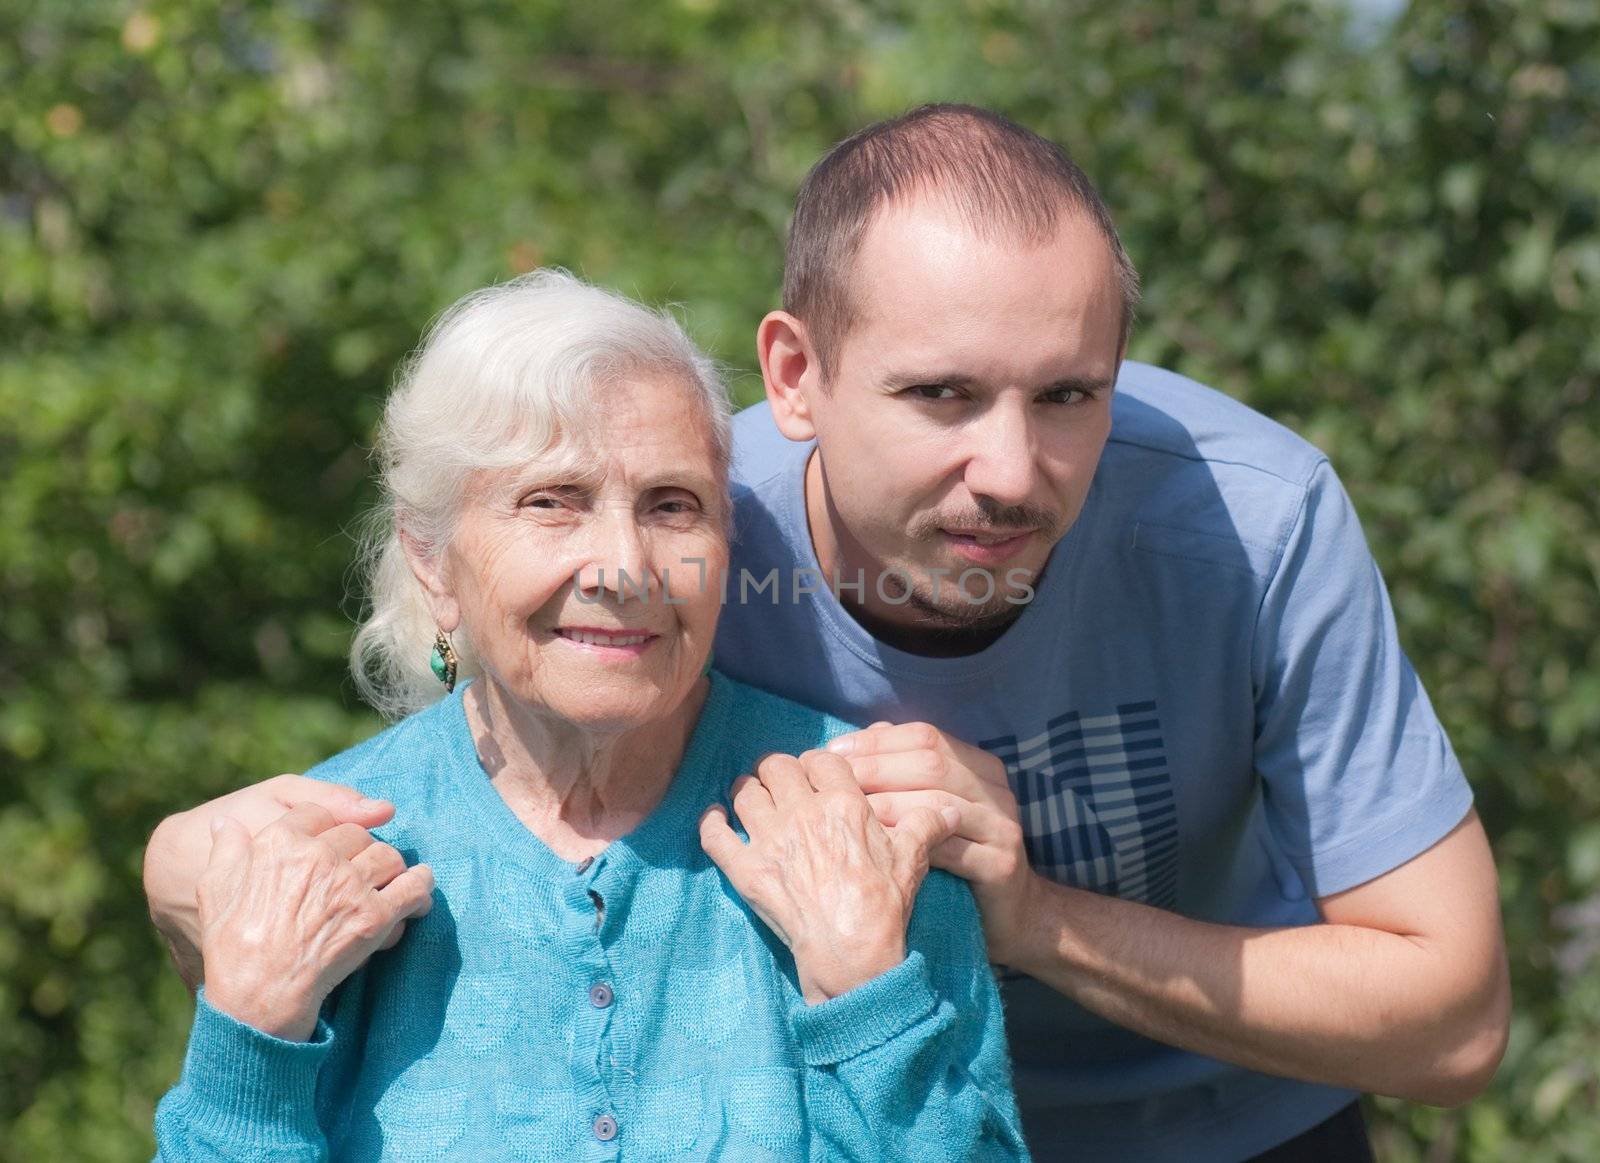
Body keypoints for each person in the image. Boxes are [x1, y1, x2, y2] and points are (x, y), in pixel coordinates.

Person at [145, 105, 1510, 1161]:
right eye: (941, 393)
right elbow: (478, 765)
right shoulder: (679, 529)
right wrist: (186, 873)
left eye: (1069, 393)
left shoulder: (1249, 523)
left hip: (1235, 1123)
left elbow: (1454, 1018)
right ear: (794, 376)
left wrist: (1027, 918)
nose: (1013, 470)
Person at [148, 271, 1029, 1161]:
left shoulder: (862, 827)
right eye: (551, 502)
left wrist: (868, 996)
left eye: (671, 506)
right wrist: (251, 1031)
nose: (625, 565)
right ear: (432, 561)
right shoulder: (322, 859)